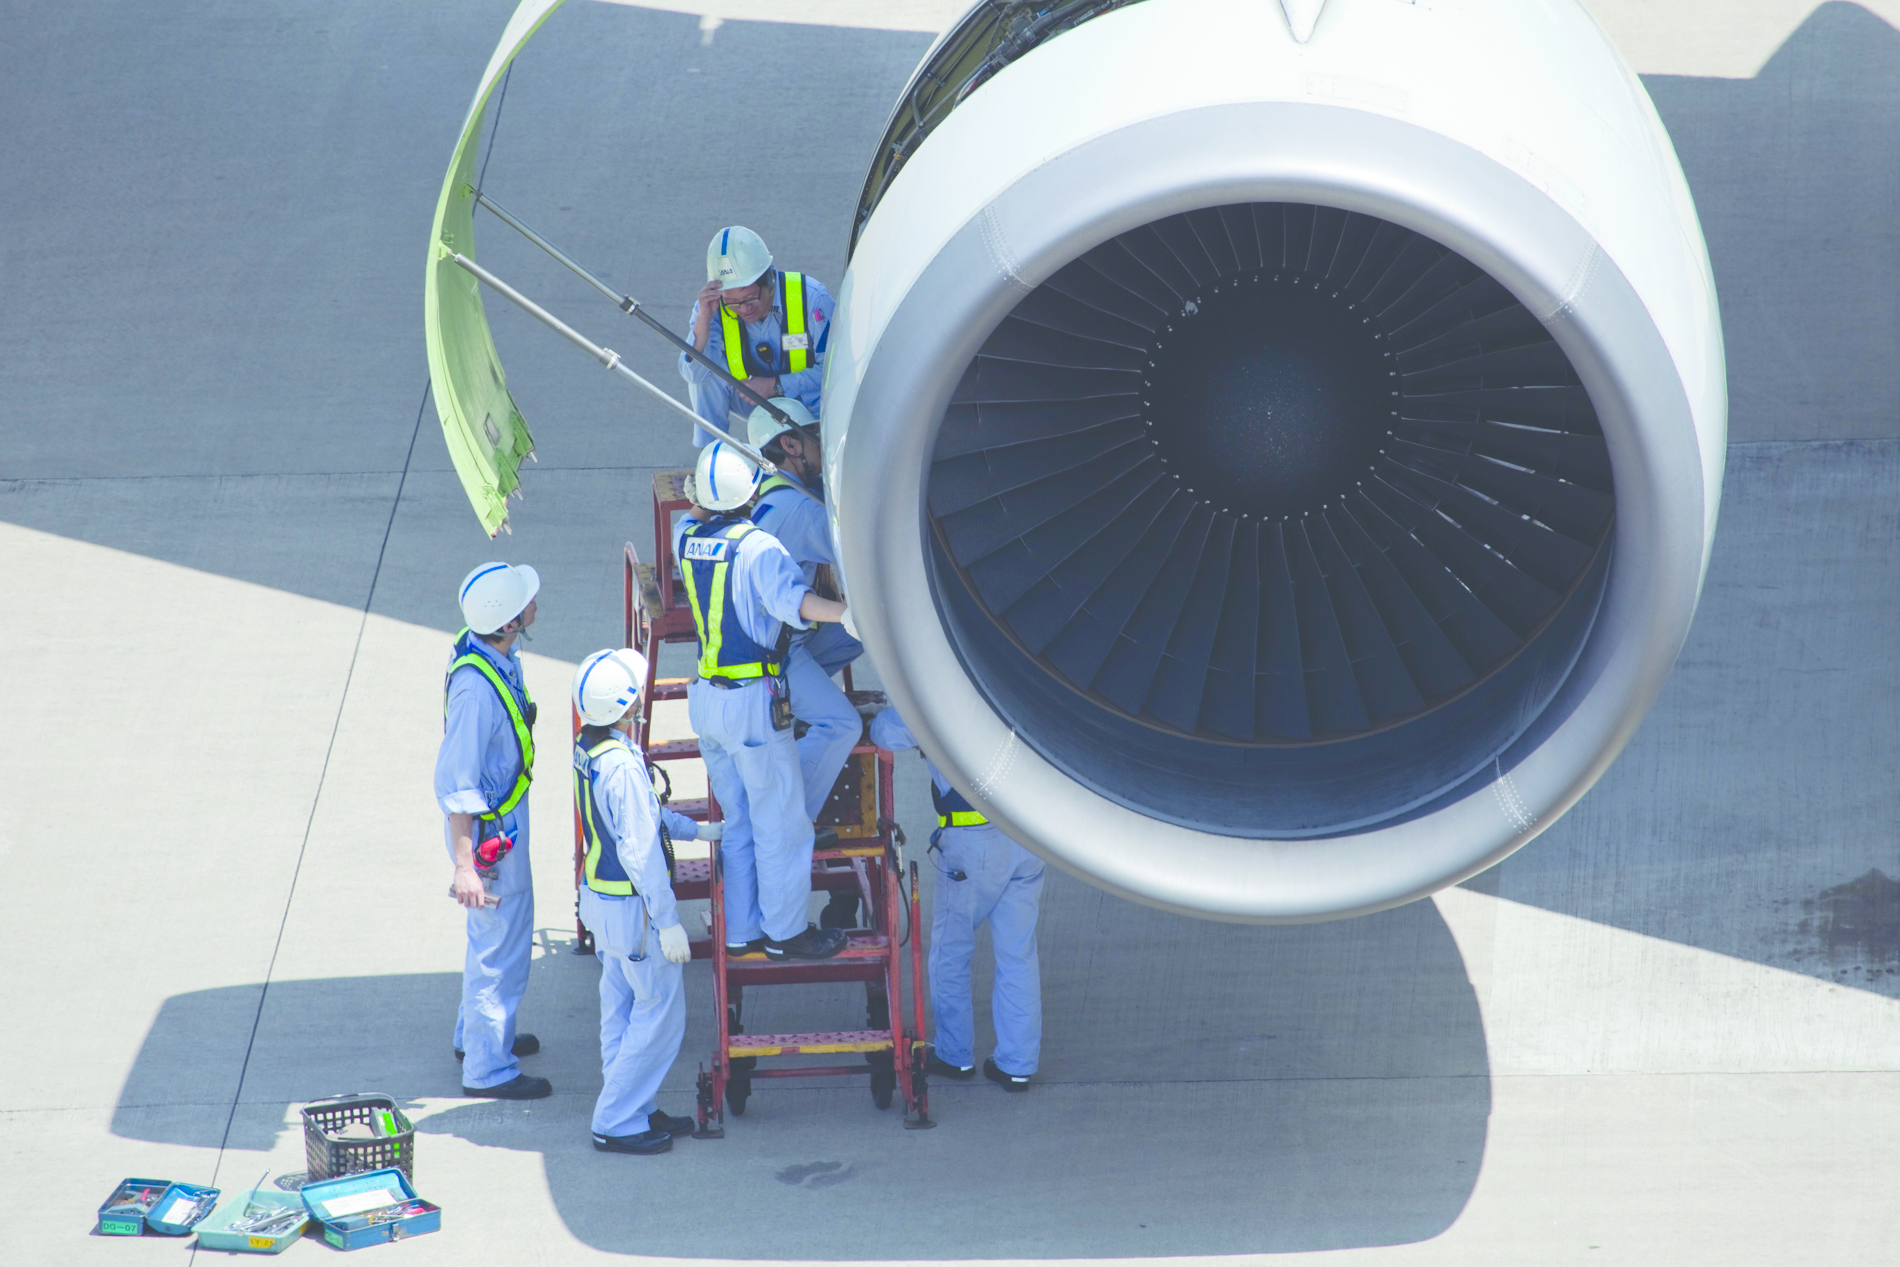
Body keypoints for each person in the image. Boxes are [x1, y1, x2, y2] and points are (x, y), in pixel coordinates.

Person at [677, 440, 851, 961]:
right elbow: (795, 603)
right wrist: (848, 614)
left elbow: (697, 508)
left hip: (707, 699)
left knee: (740, 822)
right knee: (783, 822)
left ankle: (741, 931)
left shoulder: (686, 537)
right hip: (751, 701)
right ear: (751, 491)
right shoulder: (758, 548)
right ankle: (786, 932)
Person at [572, 647, 717, 1155]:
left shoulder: (594, 748)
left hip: (603, 905)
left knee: (621, 1009)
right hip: (634, 912)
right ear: (625, 705)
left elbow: (645, 819)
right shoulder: (623, 768)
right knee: (658, 1014)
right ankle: (615, 1119)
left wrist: (698, 829)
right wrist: (669, 920)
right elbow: (641, 851)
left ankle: (634, 1103)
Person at [869, 705, 1045, 1092]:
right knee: (1018, 955)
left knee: (951, 952)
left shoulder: (940, 688)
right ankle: (1018, 1065)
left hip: (973, 846)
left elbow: (884, 733)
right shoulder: (1016, 679)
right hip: (1027, 837)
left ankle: (954, 1054)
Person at [437, 561, 549, 1100]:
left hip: (501, 824)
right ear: (508, 623)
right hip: (488, 839)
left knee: (496, 942)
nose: (534, 601)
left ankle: (476, 1036)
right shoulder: (474, 693)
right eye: (525, 600)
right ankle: (487, 1069)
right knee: (498, 950)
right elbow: (457, 786)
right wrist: (465, 867)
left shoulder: (495, 651)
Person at [745, 398, 863, 852]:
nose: (822, 445)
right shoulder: (803, 512)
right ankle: (792, 824)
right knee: (841, 726)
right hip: (775, 654)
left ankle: (799, 710)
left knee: (862, 637)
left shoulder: (774, 495)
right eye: (815, 436)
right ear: (791, 444)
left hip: (770, 641)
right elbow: (862, 554)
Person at [680, 226, 833, 447]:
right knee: (707, 373)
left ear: (769, 281)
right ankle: (711, 452)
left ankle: (820, 449)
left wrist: (775, 385)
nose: (744, 310)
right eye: (732, 302)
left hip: (807, 398)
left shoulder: (813, 299)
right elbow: (693, 375)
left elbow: (833, 374)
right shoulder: (713, 307)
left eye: (750, 298)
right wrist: (703, 319)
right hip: (753, 397)